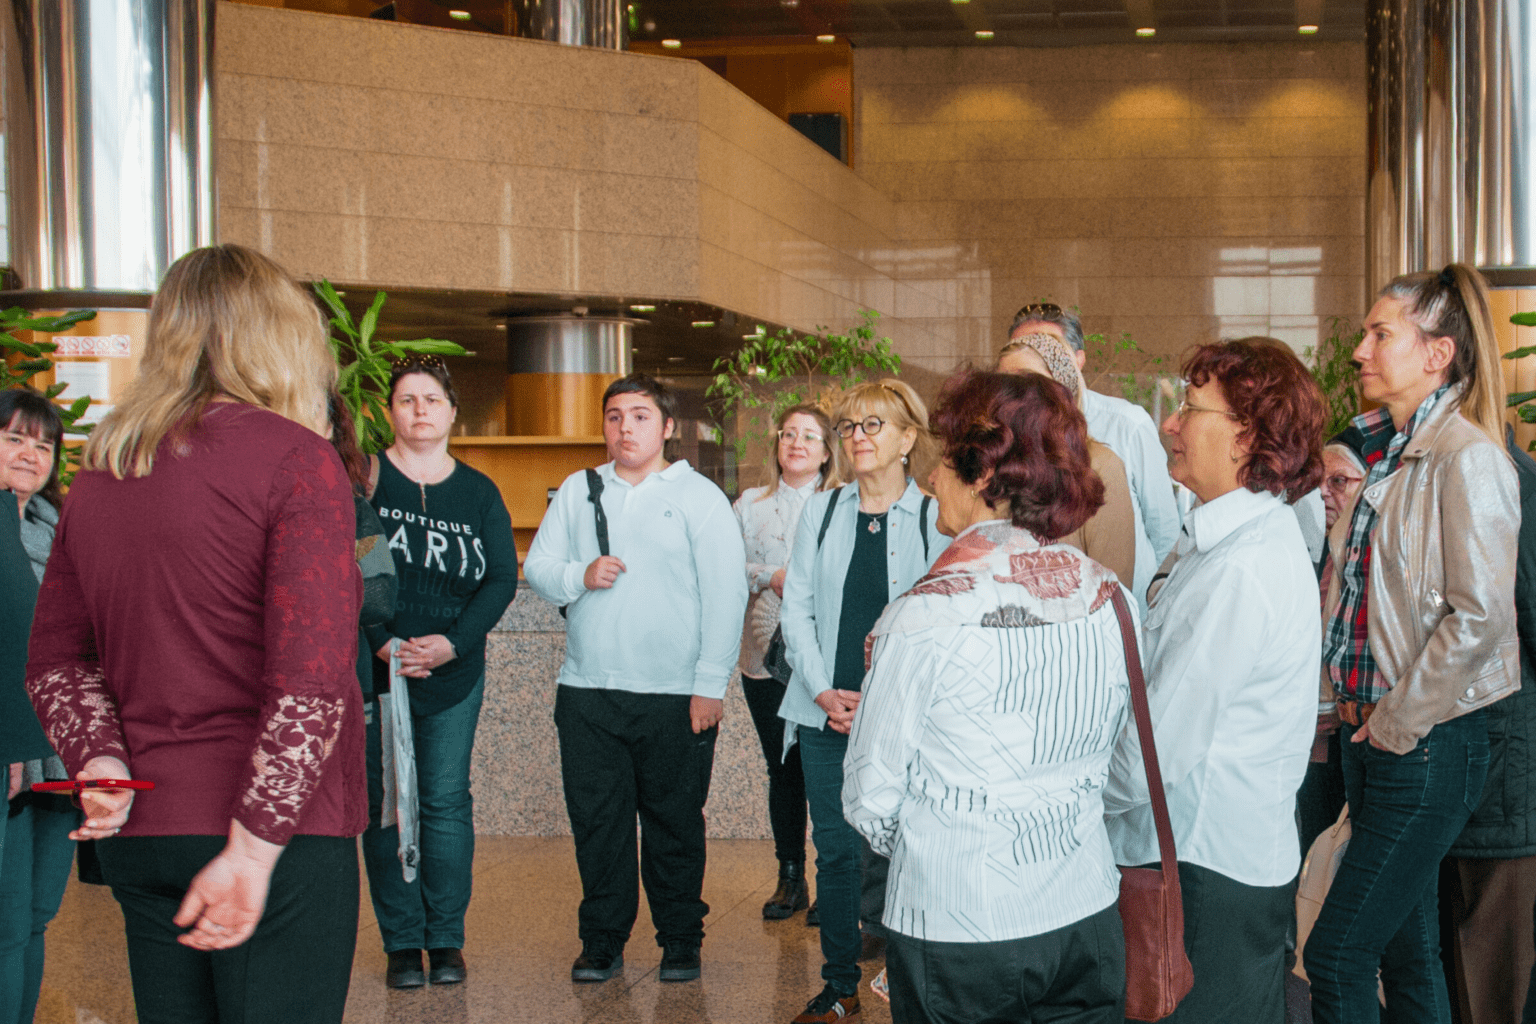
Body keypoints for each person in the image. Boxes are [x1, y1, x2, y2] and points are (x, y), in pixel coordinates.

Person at [24, 243, 365, 1024]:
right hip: (275, 836)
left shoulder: (104, 469)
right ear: (280, 335)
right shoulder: (298, 460)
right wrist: (252, 849)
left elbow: (56, 662)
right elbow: (309, 683)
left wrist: (101, 760)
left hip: (145, 826)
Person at [843, 370, 1131, 1024]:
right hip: (1084, 909)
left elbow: (870, 798)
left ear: (982, 475)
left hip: (959, 921)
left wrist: (946, 838)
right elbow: (1134, 774)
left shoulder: (921, 616)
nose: (929, 479)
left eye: (943, 461)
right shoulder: (1111, 597)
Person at [1306, 264, 1519, 1024]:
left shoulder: (1467, 457)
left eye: (1380, 334)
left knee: (1335, 957)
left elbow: (1480, 617)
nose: (1359, 350)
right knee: (1408, 955)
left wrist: (1397, 720)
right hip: (1372, 738)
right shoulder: (1383, 454)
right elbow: (1356, 604)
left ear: (1438, 354)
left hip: (1421, 742)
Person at [1104, 338, 1326, 1023]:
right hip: (1220, 864)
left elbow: (1154, 753)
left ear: (1246, 437)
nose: (1170, 423)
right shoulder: (1227, 541)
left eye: (1190, 408)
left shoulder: (1239, 567)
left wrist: (1065, 804)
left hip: (1205, 875)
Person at [525, 373, 747, 985]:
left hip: (675, 696)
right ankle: (602, 942)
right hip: (588, 691)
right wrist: (580, 574)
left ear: (667, 427)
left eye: (641, 416)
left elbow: (726, 594)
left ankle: (680, 941)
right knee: (599, 826)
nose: (626, 428)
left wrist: (710, 684)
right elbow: (539, 567)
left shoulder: (699, 496)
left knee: (675, 824)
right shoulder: (579, 489)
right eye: (615, 416)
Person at [778, 379, 949, 1024]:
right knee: (836, 853)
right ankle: (840, 986)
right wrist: (823, 691)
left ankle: (908, 984)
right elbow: (796, 609)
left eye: (873, 425)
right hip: (824, 710)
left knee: (910, 852)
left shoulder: (935, 517)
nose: (857, 437)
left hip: (905, 718)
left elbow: (941, 618)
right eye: (849, 426)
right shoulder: (822, 512)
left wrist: (882, 702)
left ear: (908, 439)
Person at [360, 356, 517, 989]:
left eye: (432, 400)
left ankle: (445, 939)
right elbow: (344, 568)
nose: (420, 410)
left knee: (446, 802)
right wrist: (380, 641)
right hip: (381, 671)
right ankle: (402, 943)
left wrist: (453, 643)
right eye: (407, 400)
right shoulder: (366, 483)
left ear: (452, 412)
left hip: (455, 673)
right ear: (389, 412)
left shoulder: (479, 492)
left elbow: (500, 579)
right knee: (388, 806)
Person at [1440, 424, 1536, 1024]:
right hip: (1455, 767)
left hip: (1502, 774)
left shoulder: (1504, 477)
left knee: (1491, 988)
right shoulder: (1428, 466)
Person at [734, 403, 840, 920]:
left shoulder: (842, 502)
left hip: (825, 657)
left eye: (809, 436)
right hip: (763, 655)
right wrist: (767, 574)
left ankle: (832, 882)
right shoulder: (749, 505)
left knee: (825, 768)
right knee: (783, 769)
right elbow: (724, 565)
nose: (796, 443)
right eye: (788, 434)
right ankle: (790, 877)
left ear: (826, 451)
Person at [1004, 302, 1181, 605]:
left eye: (1047, 348)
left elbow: (1165, 532)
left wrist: (1157, 612)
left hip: (1126, 608)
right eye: (1022, 348)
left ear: (1077, 360)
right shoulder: (1005, 436)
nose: (1031, 356)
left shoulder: (1126, 425)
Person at [0, 388, 80, 1024]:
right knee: (4, 923)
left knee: (36, 913)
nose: (30, 454)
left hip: (58, 754)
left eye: (44, 444)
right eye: (14, 439)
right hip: (9, 748)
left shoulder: (58, 532)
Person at [997, 330, 1138, 588]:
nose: (1008, 396)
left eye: (1025, 381)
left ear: (1062, 392)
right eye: (1002, 383)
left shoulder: (1099, 466)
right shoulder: (995, 463)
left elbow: (1115, 584)